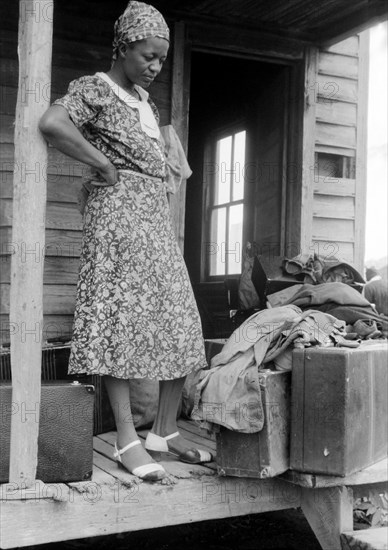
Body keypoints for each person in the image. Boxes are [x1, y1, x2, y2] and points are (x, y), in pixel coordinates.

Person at [39, 1, 211, 482]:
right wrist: (104, 164)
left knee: (180, 319)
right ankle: (125, 440)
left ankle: (164, 433)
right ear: (123, 47)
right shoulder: (98, 88)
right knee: (119, 324)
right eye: (147, 56)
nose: (155, 67)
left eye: (161, 58)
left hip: (152, 219)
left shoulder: (145, 101)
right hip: (117, 219)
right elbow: (53, 124)